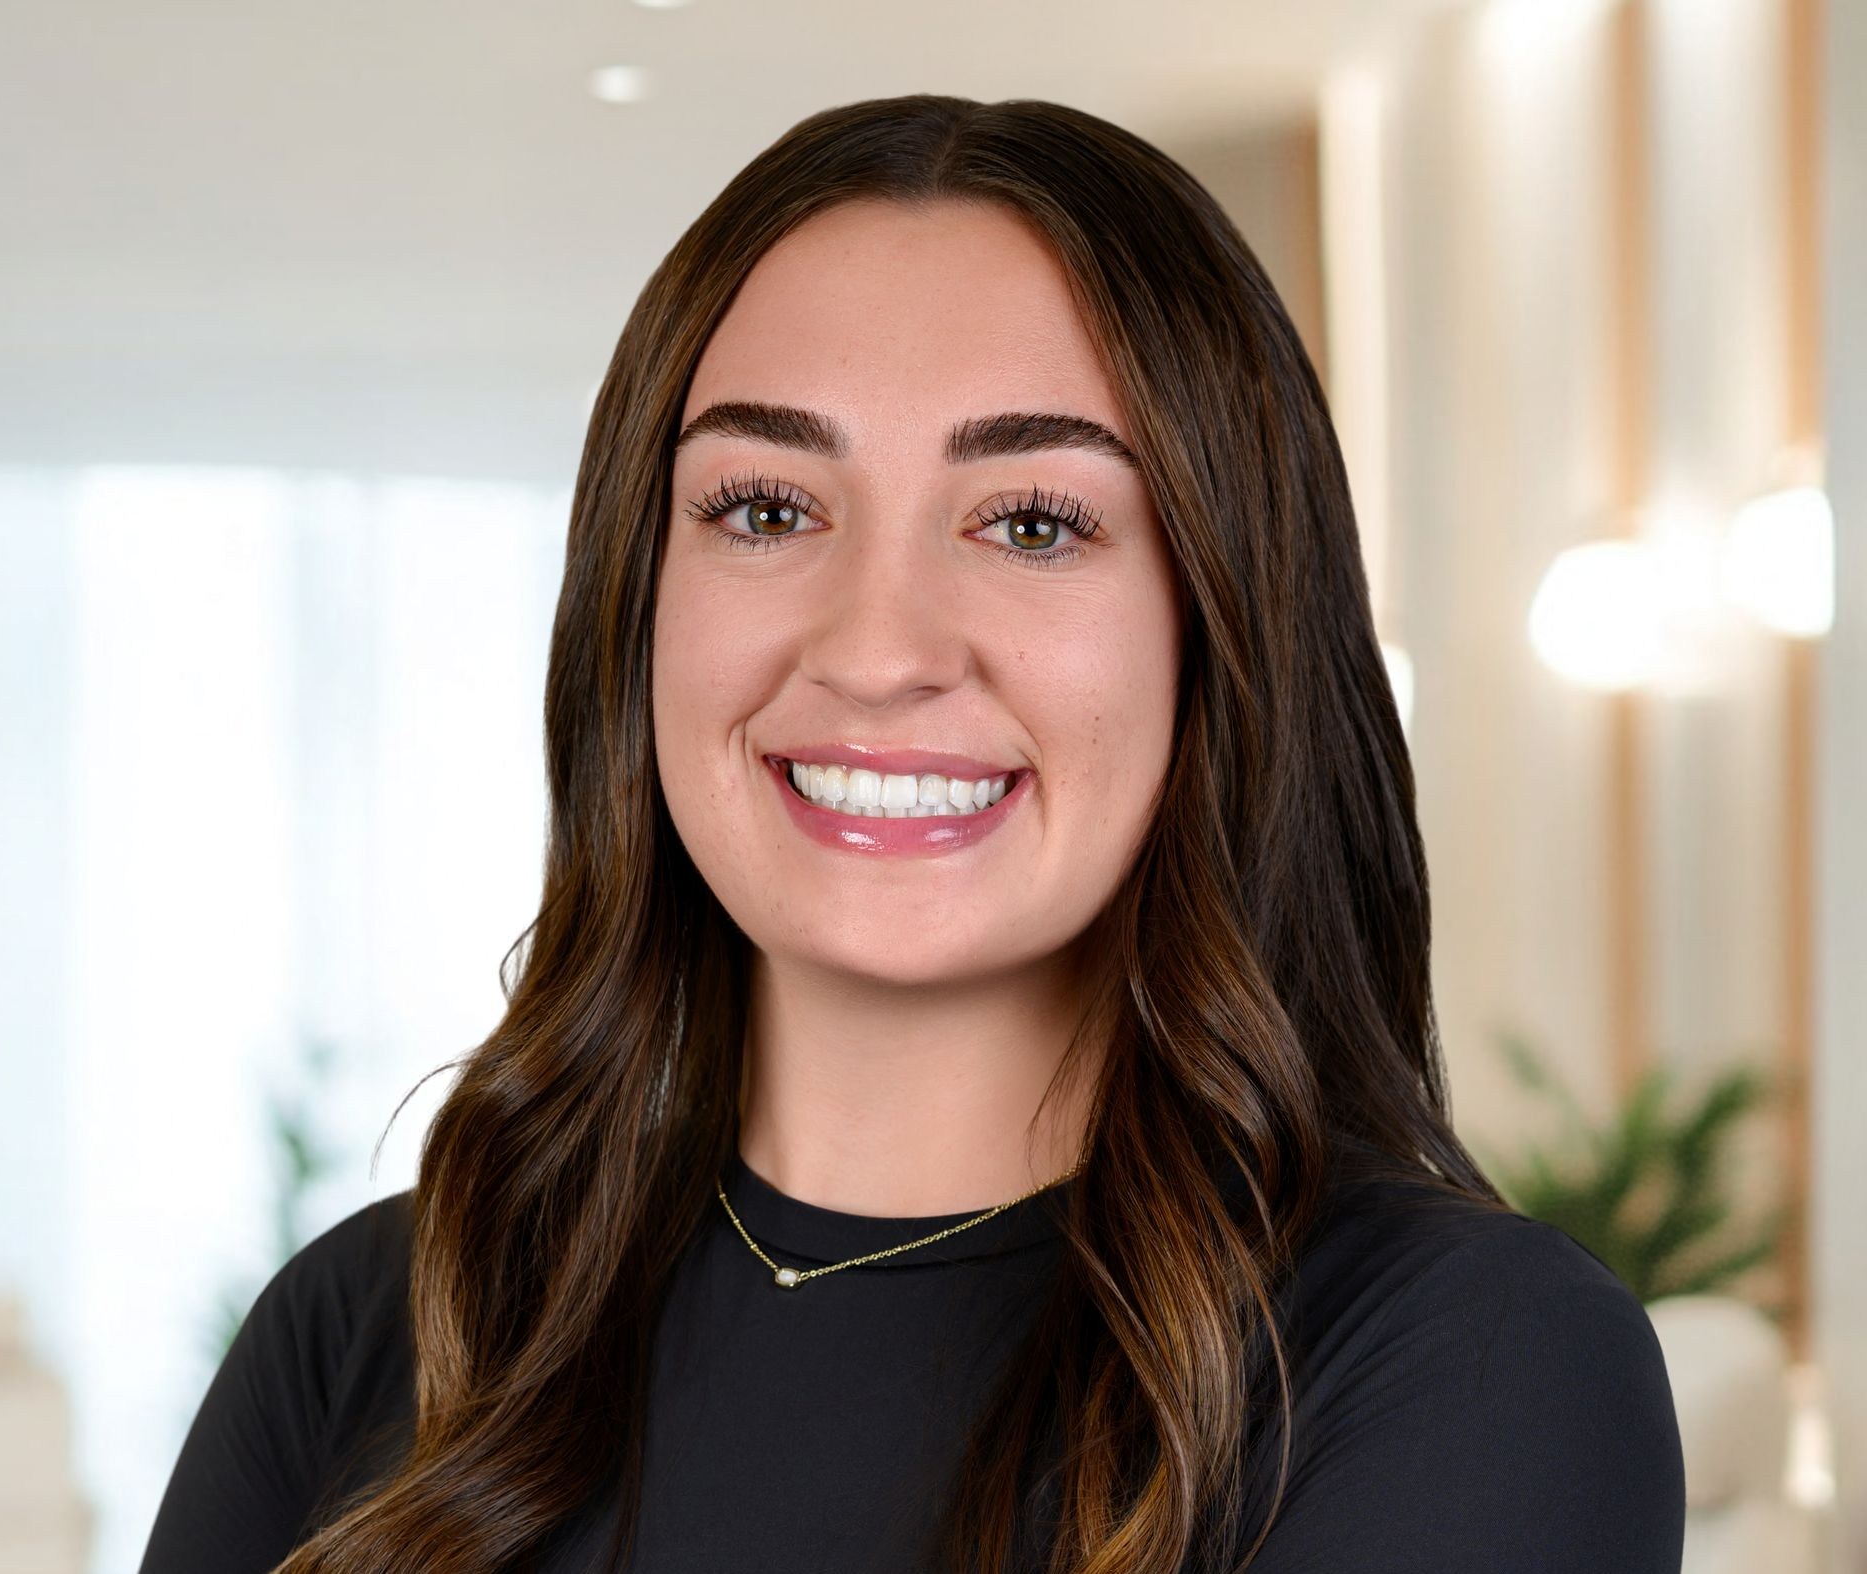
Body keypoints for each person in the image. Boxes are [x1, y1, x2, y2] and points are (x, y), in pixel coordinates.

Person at [137, 94, 1685, 1574]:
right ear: (637, 602)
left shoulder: (1463, 1354)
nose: (878, 649)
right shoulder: (373, 1326)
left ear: (1221, 624)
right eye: (763, 509)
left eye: (1031, 523)